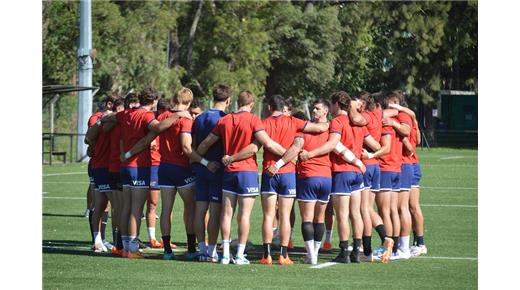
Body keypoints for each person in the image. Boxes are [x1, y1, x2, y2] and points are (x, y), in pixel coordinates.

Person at [196, 90, 286, 265]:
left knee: (227, 214)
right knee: (244, 215)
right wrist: (288, 155)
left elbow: (206, 143)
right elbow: (261, 145)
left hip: (228, 172)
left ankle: (225, 254)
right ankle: (239, 255)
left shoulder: (225, 120)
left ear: (236, 102)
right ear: (252, 105)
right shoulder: (253, 120)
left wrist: (200, 160)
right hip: (247, 172)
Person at [102, 87, 190, 258]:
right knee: (136, 209)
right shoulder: (146, 116)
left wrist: (101, 120)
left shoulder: (126, 113)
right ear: (154, 101)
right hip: (139, 166)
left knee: (125, 208)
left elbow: (109, 118)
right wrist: (178, 115)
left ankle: (126, 246)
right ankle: (132, 248)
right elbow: (159, 128)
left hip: (125, 166)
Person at [257, 95, 329, 265]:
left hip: (269, 172)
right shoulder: (294, 121)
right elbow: (317, 129)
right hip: (288, 173)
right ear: (284, 108)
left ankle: (266, 255)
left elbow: (259, 145)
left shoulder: (263, 123)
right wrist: (329, 124)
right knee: (285, 215)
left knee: (268, 215)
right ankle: (283, 255)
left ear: (269, 108)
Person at [299, 91, 370, 264]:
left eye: (331, 105)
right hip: (357, 171)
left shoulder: (337, 121)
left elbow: (332, 145)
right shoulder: (358, 121)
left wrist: (311, 154)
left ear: (337, 104)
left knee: (343, 215)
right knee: (356, 213)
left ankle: (345, 252)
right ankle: (356, 251)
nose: (330, 108)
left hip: (342, 171)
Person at [192, 84, 232, 262]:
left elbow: (193, 145)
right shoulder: (226, 118)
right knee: (215, 212)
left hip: (200, 168)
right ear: (228, 100)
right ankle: (211, 251)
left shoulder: (199, 118)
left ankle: (202, 249)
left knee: (200, 210)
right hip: (217, 169)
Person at [357, 91, 393, 262]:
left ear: (363, 104)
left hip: (365, 165)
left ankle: (367, 251)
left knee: (363, 209)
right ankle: (386, 238)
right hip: (376, 166)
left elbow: (374, 142)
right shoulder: (378, 116)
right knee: (369, 209)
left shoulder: (364, 117)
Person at [378, 90, 412, 261]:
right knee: (392, 209)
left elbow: (408, 134)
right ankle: (398, 247)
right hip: (396, 166)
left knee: (387, 210)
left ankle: (394, 247)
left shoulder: (399, 117)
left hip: (388, 166)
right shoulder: (398, 116)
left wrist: (392, 120)